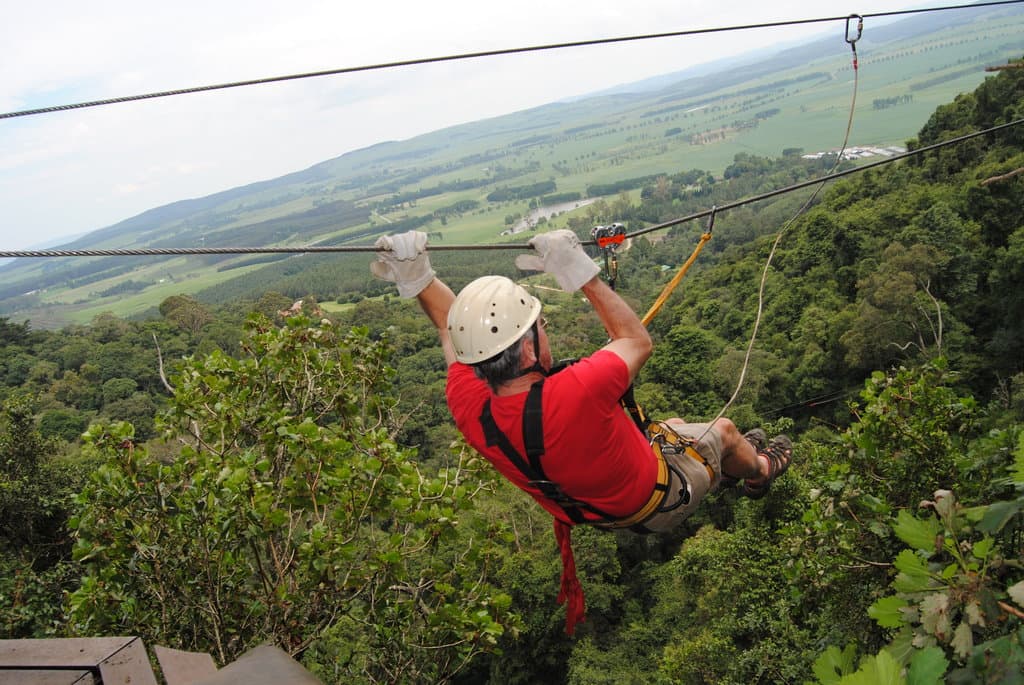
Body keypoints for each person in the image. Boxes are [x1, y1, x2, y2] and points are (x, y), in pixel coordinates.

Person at [370, 228, 793, 634]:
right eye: (542, 326)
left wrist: (419, 276)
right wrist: (580, 271)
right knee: (725, 431)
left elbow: (449, 328)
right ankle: (758, 472)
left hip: (596, 508)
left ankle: (724, 462)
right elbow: (636, 340)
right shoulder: (577, 391)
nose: (546, 330)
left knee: (676, 427)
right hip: (660, 500)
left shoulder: (469, 407)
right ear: (531, 348)